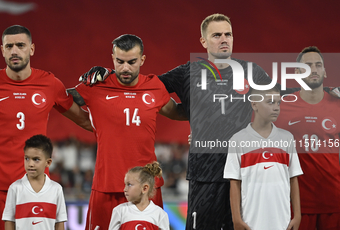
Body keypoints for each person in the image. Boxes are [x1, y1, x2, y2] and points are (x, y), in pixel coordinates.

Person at [78, 14, 272, 230]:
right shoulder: (187, 73)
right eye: (217, 35)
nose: (224, 39)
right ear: (204, 41)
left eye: (228, 34)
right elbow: (140, 86)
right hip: (204, 175)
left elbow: (278, 105)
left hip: (245, 172)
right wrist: (109, 74)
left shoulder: (253, 73)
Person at [68, 34, 186, 230]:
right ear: (112, 58)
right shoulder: (97, 85)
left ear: (142, 60)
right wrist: (89, 123)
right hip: (106, 184)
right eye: (119, 62)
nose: (125, 68)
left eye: (131, 62)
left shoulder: (154, 86)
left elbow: (176, 113)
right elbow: (63, 99)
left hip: (147, 187)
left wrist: (207, 106)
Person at [0, 25, 92, 230]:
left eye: (20, 45)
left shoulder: (50, 84)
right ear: (3, 50)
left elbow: (85, 120)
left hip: (37, 190)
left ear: (31, 49)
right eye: (9, 46)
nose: (15, 51)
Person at [275, 46, 340, 229]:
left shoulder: (337, 103)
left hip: (334, 201)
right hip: (296, 205)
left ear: (325, 72)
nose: (314, 69)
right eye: (308, 65)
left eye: (318, 65)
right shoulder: (282, 107)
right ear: (297, 72)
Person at [223, 85, 303, 230]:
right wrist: (236, 219)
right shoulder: (238, 140)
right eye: (270, 102)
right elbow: (234, 182)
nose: (276, 107)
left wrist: (297, 215)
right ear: (254, 104)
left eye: (278, 102)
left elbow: (293, 178)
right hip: (251, 222)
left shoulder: (287, 138)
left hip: (282, 222)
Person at [2, 134, 67, 230]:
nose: (30, 164)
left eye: (36, 159)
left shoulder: (56, 189)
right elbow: (9, 221)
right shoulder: (15, 188)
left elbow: (59, 223)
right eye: (27, 158)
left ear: (48, 162)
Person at [109, 161, 170, 230]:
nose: (124, 189)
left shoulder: (160, 214)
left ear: (144, 188)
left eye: (129, 184)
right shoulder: (119, 210)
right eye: (125, 184)